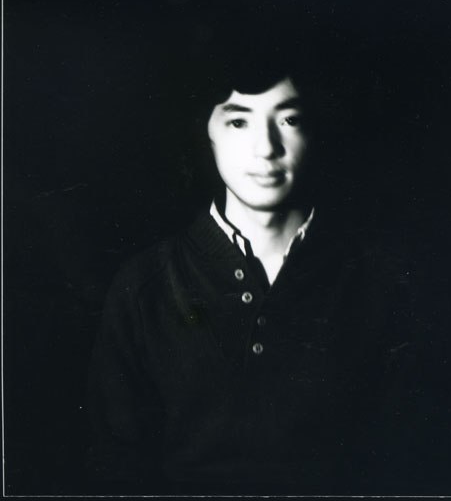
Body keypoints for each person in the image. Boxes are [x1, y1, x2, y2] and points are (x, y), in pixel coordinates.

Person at [87, 45, 424, 495]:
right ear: (206, 130)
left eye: (290, 119)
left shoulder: (380, 283)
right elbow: (115, 469)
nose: (266, 148)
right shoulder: (144, 285)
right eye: (239, 122)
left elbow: (405, 464)